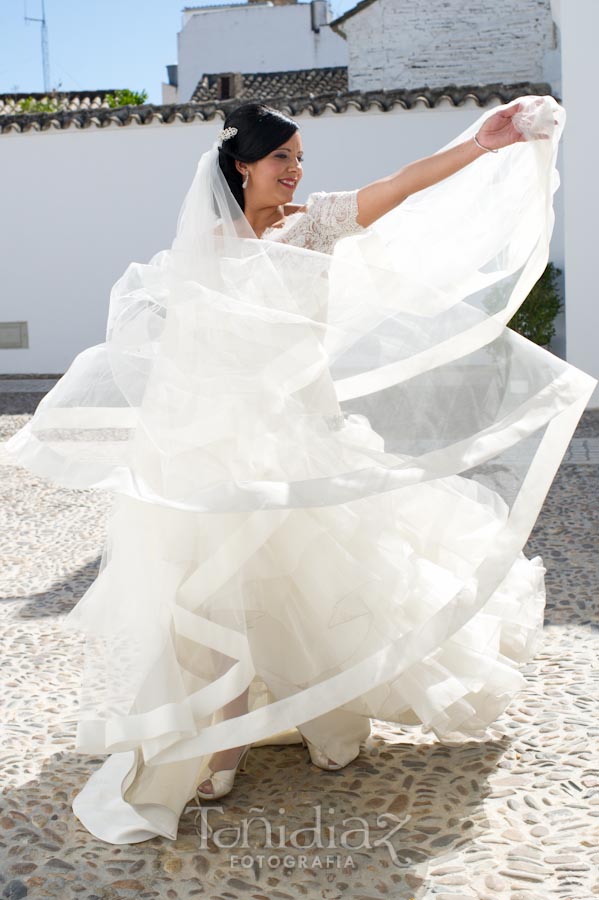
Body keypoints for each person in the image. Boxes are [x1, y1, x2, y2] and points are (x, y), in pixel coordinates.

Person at [5, 97, 596, 845]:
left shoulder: (315, 225)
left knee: (324, 582)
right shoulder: (201, 249)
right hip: (224, 449)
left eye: (300, 157)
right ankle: (223, 738)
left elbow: (404, 183)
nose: (295, 171)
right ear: (241, 165)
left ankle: (323, 710)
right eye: (281, 157)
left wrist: (481, 145)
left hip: (307, 438)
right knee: (217, 598)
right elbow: (180, 359)